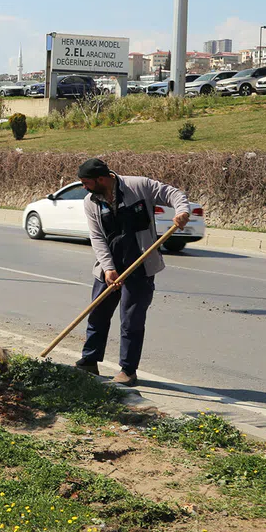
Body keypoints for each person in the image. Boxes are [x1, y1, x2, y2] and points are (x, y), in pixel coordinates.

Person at [76, 157, 190, 386]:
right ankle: (89, 361)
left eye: (86, 182)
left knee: (131, 321)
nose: (84, 187)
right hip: (109, 269)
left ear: (101, 179)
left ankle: (128, 371)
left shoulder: (139, 186)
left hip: (140, 265)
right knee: (97, 315)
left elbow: (174, 194)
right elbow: (97, 238)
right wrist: (108, 269)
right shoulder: (91, 202)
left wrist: (182, 211)